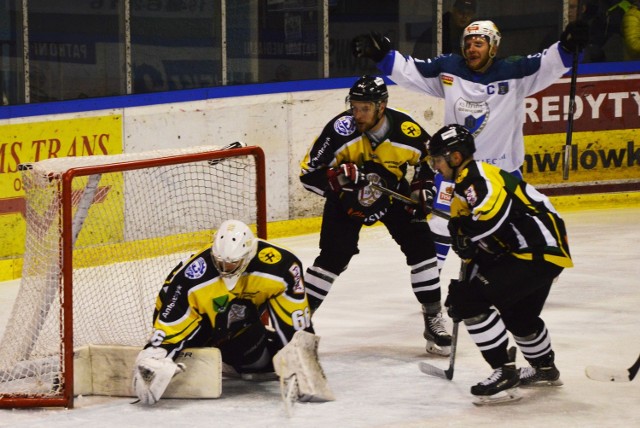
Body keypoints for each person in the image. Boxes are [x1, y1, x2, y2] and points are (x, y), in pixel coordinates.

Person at [352, 19, 588, 272]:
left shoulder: (517, 72)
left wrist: (568, 46)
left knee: (519, 226)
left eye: (479, 43)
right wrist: (384, 56)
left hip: (503, 172)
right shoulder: (450, 69)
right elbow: (413, 72)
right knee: (440, 226)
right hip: (456, 171)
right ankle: (430, 290)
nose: (472, 48)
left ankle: (532, 273)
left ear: (494, 47)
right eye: (468, 43)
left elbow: (550, 64)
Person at [299, 75, 452, 356]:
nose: (357, 115)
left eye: (364, 108)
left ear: (382, 106)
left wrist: (422, 188)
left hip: (392, 192)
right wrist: (337, 179)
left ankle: (433, 319)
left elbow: (429, 160)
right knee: (332, 259)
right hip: (345, 202)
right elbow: (308, 174)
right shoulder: (338, 130)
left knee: (423, 249)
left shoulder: (405, 129)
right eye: (354, 107)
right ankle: (294, 325)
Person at [426, 124, 573, 403]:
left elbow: (490, 220)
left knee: (469, 303)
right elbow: (474, 242)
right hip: (541, 252)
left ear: (455, 157)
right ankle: (545, 369)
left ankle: (503, 371)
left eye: (438, 159)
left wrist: (464, 236)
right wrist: (467, 250)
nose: (435, 166)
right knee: (519, 316)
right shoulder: (464, 185)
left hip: (535, 251)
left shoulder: (476, 178)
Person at [132, 219, 332, 404]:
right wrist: (153, 357)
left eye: (231, 263)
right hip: (198, 327)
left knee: (258, 363)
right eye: (220, 262)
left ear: (248, 255)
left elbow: (295, 319)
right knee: (235, 313)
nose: (225, 268)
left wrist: (302, 361)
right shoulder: (192, 278)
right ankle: (205, 351)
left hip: (235, 324)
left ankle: (237, 357)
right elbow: (170, 321)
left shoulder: (282, 266)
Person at [413, 0, 478, 57]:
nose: (464, 16)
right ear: (453, 11)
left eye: (469, 13)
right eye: (461, 12)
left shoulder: (471, 35)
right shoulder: (435, 33)